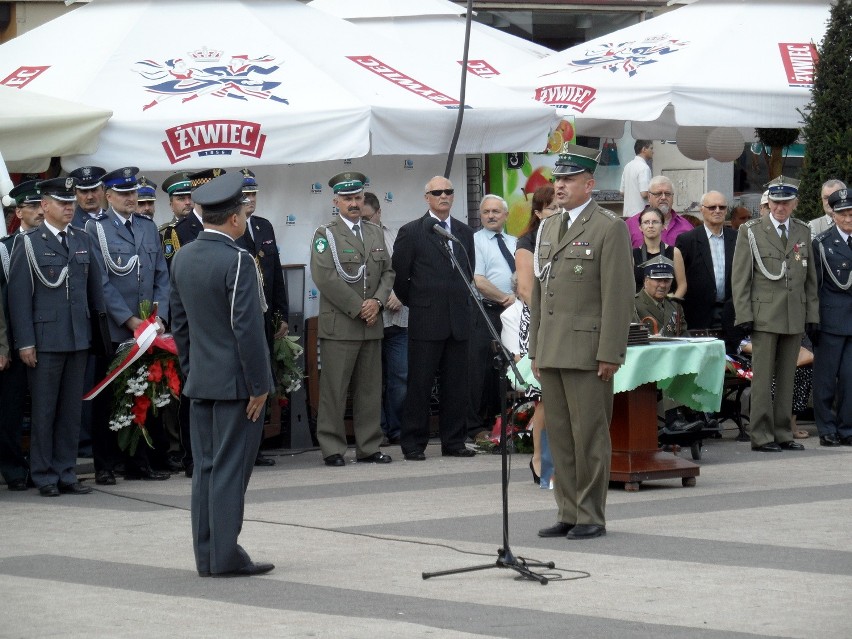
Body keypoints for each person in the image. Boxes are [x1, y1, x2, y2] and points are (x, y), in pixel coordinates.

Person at [170, 170, 275, 577]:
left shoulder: (183, 256)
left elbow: (180, 326)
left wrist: (193, 371)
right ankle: (226, 555)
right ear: (234, 219)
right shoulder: (238, 259)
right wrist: (259, 385)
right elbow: (246, 329)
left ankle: (207, 554)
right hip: (236, 386)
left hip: (202, 382)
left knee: (207, 470)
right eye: (244, 212)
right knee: (230, 471)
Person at [529, 144, 634, 540]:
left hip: (588, 352)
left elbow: (618, 295)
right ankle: (568, 510)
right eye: (557, 179)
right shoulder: (549, 226)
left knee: (589, 435)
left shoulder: (609, 227)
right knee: (561, 436)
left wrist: (610, 352)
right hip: (553, 348)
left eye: (569, 179)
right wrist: (536, 348)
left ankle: (591, 514)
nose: (560, 186)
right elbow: (540, 292)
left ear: (589, 184)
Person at [8, 177, 105, 497]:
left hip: (77, 336)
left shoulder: (82, 238)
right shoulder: (28, 243)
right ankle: (44, 474)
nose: (69, 208)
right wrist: (25, 342)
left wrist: (96, 334)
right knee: (45, 410)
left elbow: (94, 292)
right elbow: (19, 299)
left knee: (70, 411)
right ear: (45, 206)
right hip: (46, 339)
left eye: (71, 202)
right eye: (62, 203)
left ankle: (66, 472)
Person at [86, 166, 171, 482]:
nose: (130, 198)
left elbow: (161, 274)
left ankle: (139, 462)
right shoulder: (96, 229)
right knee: (109, 397)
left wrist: (158, 317)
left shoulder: (148, 228)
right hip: (117, 329)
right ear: (108, 196)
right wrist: (130, 319)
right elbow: (101, 283)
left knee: (142, 394)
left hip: (148, 329)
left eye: (133, 192)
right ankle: (105, 465)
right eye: (123, 194)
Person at [310, 172, 394, 467]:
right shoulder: (326, 235)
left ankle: (369, 446)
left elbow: (388, 272)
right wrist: (360, 307)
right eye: (348, 199)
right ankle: (332, 447)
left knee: (370, 390)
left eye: (358, 198)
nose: (354, 203)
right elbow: (326, 278)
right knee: (335, 389)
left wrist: (378, 302)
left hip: (372, 324)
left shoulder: (374, 232)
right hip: (342, 325)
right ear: (336, 202)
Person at [731, 176, 819, 452]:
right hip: (764, 314)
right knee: (763, 377)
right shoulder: (752, 230)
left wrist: (812, 316)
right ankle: (761, 435)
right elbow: (740, 277)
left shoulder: (802, 231)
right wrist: (743, 313)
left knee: (786, 377)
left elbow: (810, 279)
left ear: (795, 203)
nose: (780, 207)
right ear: (768, 203)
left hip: (794, 314)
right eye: (775, 202)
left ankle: (782, 432)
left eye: (785, 202)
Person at [392, 176, 476, 461]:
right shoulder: (412, 231)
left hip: (458, 319)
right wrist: (417, 302)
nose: (444, 196)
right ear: (427, 197)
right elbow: (400, 277)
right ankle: (414, 442)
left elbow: (468, 269)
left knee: (457, 384)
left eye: (449, 192)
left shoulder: (464, 232)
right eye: (437, 192)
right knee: (420, 383)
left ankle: (454, 441)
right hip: (427, 319)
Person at [236, 169, 288, 467]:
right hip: (242, 318)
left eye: (254, 194)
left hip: (265, 317)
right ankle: (242, 447)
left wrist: (281, 313)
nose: (250, 200)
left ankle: (256, 447)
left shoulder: (264, 226)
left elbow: (275, 274)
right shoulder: (232, 228)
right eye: (245, 196)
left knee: (263, 378)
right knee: (245, 380)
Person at [0, 181, 43, 490]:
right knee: (11, 411)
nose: (40, 211)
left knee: (47, 408)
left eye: (44, 205)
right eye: (33, 206)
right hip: (15, 342)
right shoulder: (5, 248)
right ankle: (15, 469)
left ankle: (43, 465)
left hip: (50, 337)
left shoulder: (55, 242)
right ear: (18, 212)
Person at [514, 185, 558, 483]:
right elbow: (527, 290)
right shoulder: (527, 241)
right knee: (547, 396)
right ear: (539, 212)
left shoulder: (569, 235)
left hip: (568, 321)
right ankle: (539, 459)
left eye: (560, 207)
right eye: (552, 208)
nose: (558, 213)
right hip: (541, 321)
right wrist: (551, 319)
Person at [469, 194, 517, 439]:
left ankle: (503, 421)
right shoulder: (474, 241)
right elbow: (478, 281)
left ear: (505, 215)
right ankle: (477, 425)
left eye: (496, 212)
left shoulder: (514, 242)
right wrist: (505, 298)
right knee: (482, 370)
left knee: (508, 368)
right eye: (486, 212)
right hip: (486, 310)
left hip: (513, 313)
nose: (490, 216)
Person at [362, 191, 407, 447]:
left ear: (379, 213)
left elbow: (408, 270)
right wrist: (378, 301)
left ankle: (397, 429)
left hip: (398, 318)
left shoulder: (395, 236)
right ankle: (376, 431)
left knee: (400, 377)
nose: (365, 222)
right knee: (371, 380)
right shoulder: (354, 238)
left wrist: (400, 295)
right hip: (370, 319)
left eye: (369, 217)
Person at [811, 188, 852, 447]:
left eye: (851, 213)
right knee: (825, 379)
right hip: (831, 320)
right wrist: (812, 320)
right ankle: (826, 427)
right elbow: (814, 284)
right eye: (843, 214)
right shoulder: (822, 243)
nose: (848, 219)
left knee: (850, 379)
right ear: (833, 215)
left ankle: (847, 428)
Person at [675, 191, 741, 352]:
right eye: (712, 207)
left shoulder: (739, 239)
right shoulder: (687, 240)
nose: (717, 210)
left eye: (722, 207)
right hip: (698, 315)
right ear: (701, 209)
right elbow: (679, 279)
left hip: (731, 313)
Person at [631, 207, 687, 297]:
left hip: (667, 306)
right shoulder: (633, 255)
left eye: (655, 222)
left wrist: (671, 304)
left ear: (663, 226)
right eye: (646, 222)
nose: (650, 226)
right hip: (641, 308)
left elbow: (682, 285)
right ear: (640, 227)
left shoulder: (675, 253)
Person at [625, 176, 693, 248]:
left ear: (673, 197)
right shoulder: (630, 225)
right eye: (658, 194)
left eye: (667, 194)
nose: (663, 197)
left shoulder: (686, 227)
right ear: (649, 197)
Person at [634, 255, 687, 336]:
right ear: (646, 280)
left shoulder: (675, 306)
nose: (662, 285)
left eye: (666, 281)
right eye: (658, 280)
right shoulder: (633, 305)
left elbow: (683, 335)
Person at [174, 169, 225, 248]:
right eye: (209, 192)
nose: (215, 198)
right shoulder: (180, 229)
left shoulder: (228, 222)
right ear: (194, 195)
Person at [159, 172, 193, 263]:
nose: (188, 202)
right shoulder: (163, 233)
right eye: (181, 198)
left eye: (191, 197)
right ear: (171, 205)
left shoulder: (206, 227)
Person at [619, 139, 653, 217]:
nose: (653, 151)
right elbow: (644, 193)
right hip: (640, 214)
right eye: (651, 148)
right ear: (644, 149)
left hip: (627, 214)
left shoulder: (627, 166)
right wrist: (657, 192)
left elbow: (622, 192)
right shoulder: (644, 167)